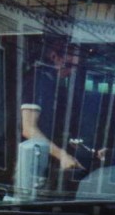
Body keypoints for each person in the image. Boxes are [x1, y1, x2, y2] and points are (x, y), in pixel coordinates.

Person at [20, 39, 85, 176]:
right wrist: (62, 155)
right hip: (22, 162)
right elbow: (28, 129)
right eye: (70, 65)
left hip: (37, 158)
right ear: (55, 57)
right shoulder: (38, 79)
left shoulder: (52, 82)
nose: (72, 71)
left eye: (75, 67)